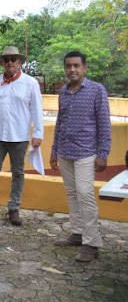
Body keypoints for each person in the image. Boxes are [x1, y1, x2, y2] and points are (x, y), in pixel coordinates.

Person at [50, 51, 111, 262]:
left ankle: (91, 243)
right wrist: (54, 150)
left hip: (87, 153)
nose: (72, 70)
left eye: (76, 65)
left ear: (85, 67)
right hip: (65, 152)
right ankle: (77, 234)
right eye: (68, 66)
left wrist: (103, 154)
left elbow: (104, 123)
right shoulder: (63, 93)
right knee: (72, 194)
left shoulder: (96, 90)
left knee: (85, 195)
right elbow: (60, 123)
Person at [0, 46, 43, 226]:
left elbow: (37, 110)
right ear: (2, 63)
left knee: (18, 173)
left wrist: (38, 134)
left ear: (19, 62)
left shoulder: (30, 83)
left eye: (13, 59)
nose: (10, 62)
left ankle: (14, 209)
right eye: (6, 59)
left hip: (19, 136)